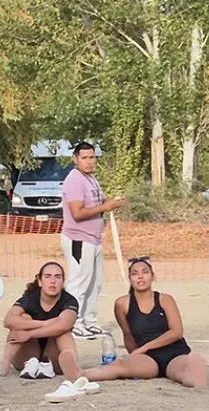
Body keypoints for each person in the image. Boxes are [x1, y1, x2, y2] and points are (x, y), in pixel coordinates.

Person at [80, 257, 207, 388]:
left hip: (174, 353)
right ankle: (79, 374)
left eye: (145, 272)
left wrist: (145, 347)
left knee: (182, 373)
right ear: (130, 279)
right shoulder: (122, 304)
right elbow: (128, 334)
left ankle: (196, 378)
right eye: (135, 274)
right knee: (119, 367)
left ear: (153, 276)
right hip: (148, 358)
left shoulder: (165, 299)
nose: (140, 277)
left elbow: (177, 332)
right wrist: (134, 357)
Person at [60, 142, 125, 339]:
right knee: (78, 282)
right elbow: (77, 213)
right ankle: (74, 322)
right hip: (79, 239)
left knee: (94, 284)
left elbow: (100, 202)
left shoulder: (91, 179)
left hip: (94, 240)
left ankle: (90, 320)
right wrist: (105, 208)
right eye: (84, 158)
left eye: (92, 157)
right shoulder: (74, 180)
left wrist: (114, 202)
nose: (89, 162)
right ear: (76, 159)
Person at [0, 261, 82, 381]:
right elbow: (8, 320)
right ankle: (5, 364)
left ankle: (72, 365)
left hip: (53, 353)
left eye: (58, 277)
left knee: (64, 331)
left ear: (63, 281)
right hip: (28, 353)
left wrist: (29, 334)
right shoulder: (30, 298)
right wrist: (43, 323)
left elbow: (64, 325)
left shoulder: (69, 301)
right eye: (48, 276)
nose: (53, 281)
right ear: (40, 281)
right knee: (23, 319)